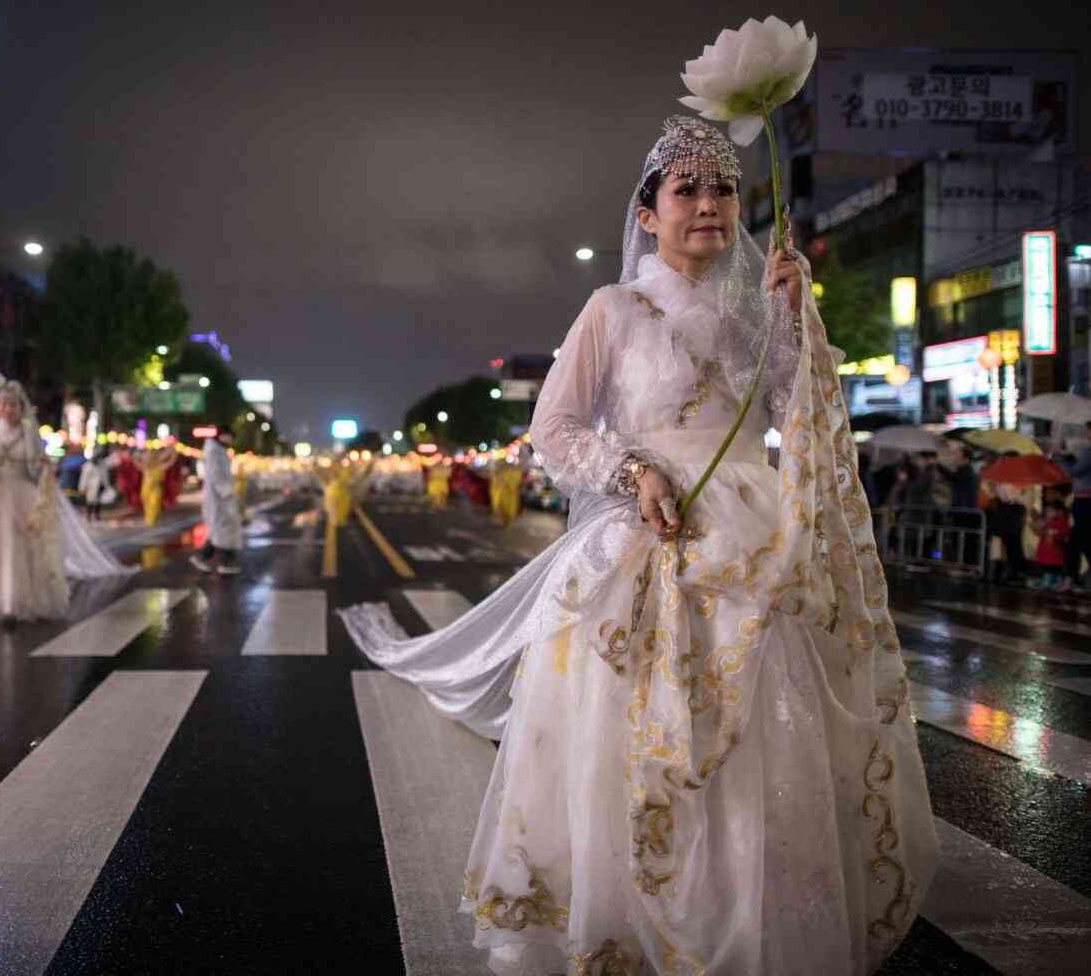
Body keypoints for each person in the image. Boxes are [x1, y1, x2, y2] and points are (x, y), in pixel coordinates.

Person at [339, 117, 935, 975]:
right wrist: (633, 473)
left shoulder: (762, 308)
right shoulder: (612, 310)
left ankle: (747, 917)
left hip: (756, 549)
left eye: (724, 188)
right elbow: (556, 425)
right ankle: (629, 922)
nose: (708, 204)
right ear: (647, 216)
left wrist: (797, 319)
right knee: (625, 743)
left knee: (762, 750)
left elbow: (804, 420)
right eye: (685, 190)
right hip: (644, 545)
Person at [0, 381, 130, 621]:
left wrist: (43, 469)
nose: (8, 409)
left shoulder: (30, 437)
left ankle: (20, 601)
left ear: (21, 408)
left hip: (22, 497)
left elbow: (35, 471)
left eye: (13, 404)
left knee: (20, 550)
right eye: (4, 404)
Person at [192, 429, 242, 575]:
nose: (231, 441)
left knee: (220, 531)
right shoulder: (214, 451)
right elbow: (216, 475)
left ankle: (206, 558)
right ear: (223, 435)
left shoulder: (218, 450)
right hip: (218, 499)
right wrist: (227, 492)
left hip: (221, 498)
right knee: (223, 530)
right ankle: (222, 562)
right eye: (230, 437)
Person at [1065, 421, 1091, 589]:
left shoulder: (1089, 451)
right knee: (1078, 540)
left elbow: (1075, 472)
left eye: (1088, 430)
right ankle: (1072, 578)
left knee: (1081, 540)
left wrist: (1062, 457)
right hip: (1085, 500)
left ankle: (1072, 579)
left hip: (1085, 500)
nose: (1086, 434)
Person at [1031, 499, 1071, 591]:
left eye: (1050, 511)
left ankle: (1057, 581)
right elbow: (1036, 529)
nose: (1047, 513)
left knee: (1055, 567)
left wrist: (1047, 530)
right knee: (1046, 566)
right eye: (1046, 511)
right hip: (1046, 549)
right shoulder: (1045, 520)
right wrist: (1039, 525)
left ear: (1058, 512)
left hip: (1055, 550)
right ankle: (1047, 581)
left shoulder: (1061, 521)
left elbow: (1062, 533)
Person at [78, 448, 112, 521]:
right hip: (91, 486)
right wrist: (82, 487)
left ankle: (97, 515)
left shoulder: (103, 465)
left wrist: (106, 485)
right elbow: (84, 477)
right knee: (90, 500)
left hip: (100, 486)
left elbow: (105, 475)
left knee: (98, 501)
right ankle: (89, 515)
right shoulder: (88, 466)